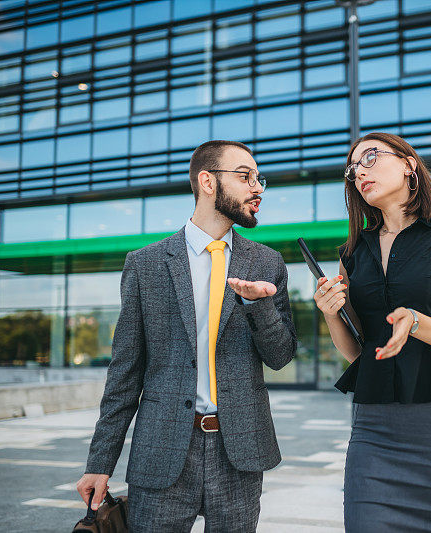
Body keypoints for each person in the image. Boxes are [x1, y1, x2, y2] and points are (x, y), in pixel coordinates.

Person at [76, 140, 297, 532]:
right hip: (161, 450)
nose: (257, 188)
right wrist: (99, 464)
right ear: (208, 181)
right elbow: (124, 373)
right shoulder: (145, 265)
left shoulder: (267, 262)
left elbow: (280, 356)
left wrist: (259, 305)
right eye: (245, 176)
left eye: (258, 178)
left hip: (240, 451)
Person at [314, 132, 431, 532]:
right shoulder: (352, 254)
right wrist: (330, 314)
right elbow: (358, 353)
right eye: (353, 168)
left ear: (409, 164)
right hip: (373, 429)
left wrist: (416, 321)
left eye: (371, 158)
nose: (359, 173)